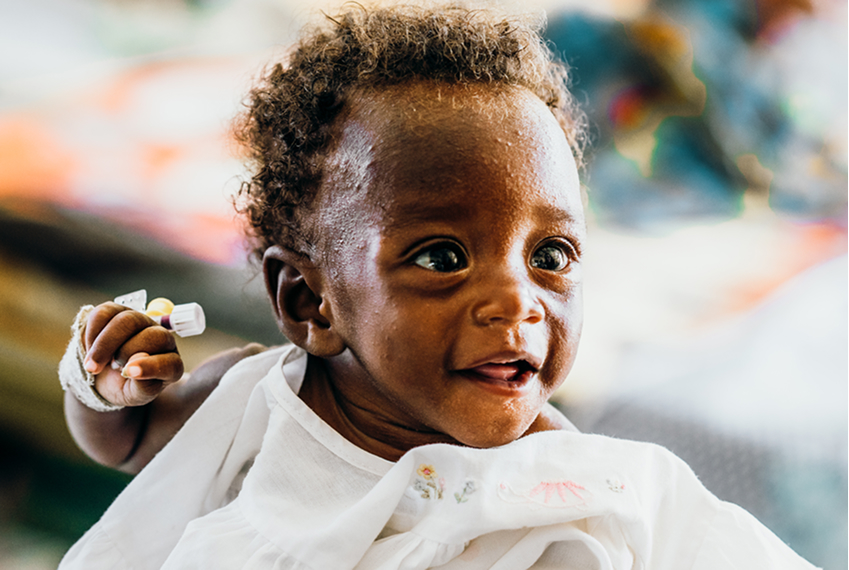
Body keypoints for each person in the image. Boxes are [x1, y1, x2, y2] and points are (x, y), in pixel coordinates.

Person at [57, 3, 817, 568]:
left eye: (551, 254)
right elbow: (130, 442)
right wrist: (102, 386)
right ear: (308, 301)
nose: (517, 301)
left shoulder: (585, 490)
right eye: (444, 258)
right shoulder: (258, 400)